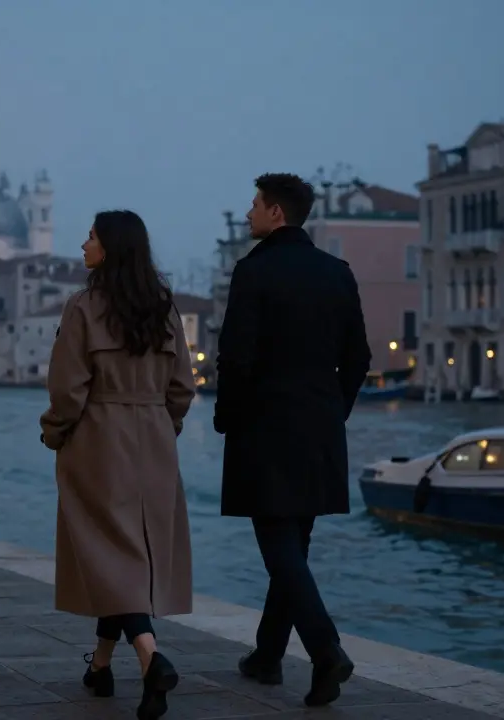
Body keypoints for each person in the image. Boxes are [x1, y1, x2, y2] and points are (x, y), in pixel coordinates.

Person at [214, 173, 371, 707]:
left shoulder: (252, 272)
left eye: (255, 204)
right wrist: (335, 411)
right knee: (294, 545)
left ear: (277, 212)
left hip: (264, 426)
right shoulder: (338, 273)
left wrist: (225, 417)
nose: (250, 212)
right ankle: (267, 657)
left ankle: (326, 651)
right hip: (320, 427)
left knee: (278, 545)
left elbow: (235, 356)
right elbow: (359, 358)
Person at [40, 209, 196, 720]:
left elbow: (68, 388)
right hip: (154, 440)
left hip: (97, 439)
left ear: (108, 248)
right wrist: (161, 425)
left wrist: (55, 432)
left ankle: (151, 657)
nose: (83, 245)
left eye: (90, 237)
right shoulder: (164, 307)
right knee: (129, 553)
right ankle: (100, 667)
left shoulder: (82, 306)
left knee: (109, 551)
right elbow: (183, 387)